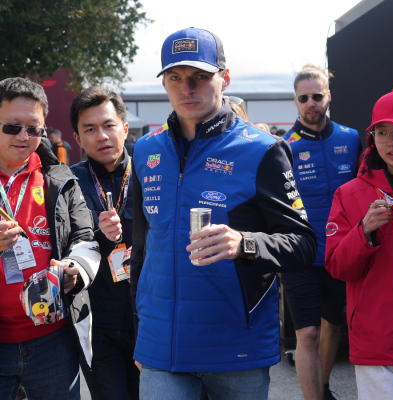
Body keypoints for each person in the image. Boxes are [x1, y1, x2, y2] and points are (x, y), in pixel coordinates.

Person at [130, 27, 317, 400]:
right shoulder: (144, 150)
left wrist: (244, 243)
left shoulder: (263, 150)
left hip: (237, 350)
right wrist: (142, 332)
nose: (187, 88)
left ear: (225, 78)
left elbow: (304, 245)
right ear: (164, 83)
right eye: (175, 77)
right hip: (161, 351)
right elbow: (141, 248)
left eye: (200, 76)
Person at [0, 77, 102, 399]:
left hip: (53, 341)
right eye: (12, 127)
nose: (23, 136)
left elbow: (85, 237)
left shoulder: (60, 178)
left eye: (34, 129)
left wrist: (75, 268)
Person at [326, 91, 393, 400]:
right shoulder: (349, 193)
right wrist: (364, 232)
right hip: (377, 348)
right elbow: (337, 267)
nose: (392, 142)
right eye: (382, 133)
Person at [282, 65, 360, 400]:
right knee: (308, 333)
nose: (310, 103)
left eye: (316, 96)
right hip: (300, 254)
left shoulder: (351, 138)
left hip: (341, 251)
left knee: (331, 324)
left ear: (328, 96)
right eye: (303, 98)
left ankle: (323, 389)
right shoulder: (284, 145)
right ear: (295, 101)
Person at [70, 86, 139, 400]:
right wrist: (101, 237)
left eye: (109, 125)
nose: (102, 136)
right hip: (96, 323)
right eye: (90, 129)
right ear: (77, 138)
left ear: (124, 128)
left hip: (148, 320)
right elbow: (65, 248)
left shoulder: (151, 176)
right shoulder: (67, 184)